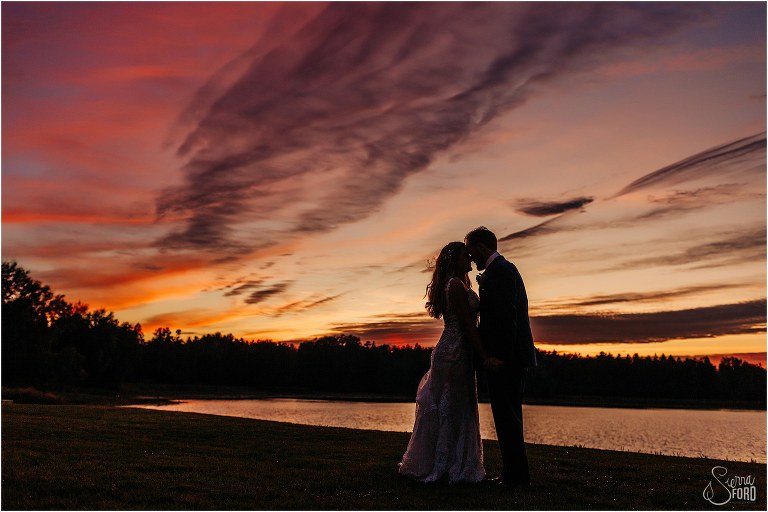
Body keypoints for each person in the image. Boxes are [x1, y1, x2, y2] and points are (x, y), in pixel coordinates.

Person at [398, 241, 491, 484]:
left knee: (458, 406)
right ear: (455, 260)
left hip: (459, 351)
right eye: (465, 256)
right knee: (450, 407)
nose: (470, 259)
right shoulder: (455, 286)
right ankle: (444, 464)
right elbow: (467, 325)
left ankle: (452, 461)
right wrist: (484, 355)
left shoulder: (460, 284)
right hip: (453, 352)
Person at [464, 226, 537, 486]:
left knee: (507, 418)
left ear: (481, 247)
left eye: (471, 251)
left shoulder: (501, 272)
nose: (471, 258)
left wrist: (499, 357)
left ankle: (515, 476)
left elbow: (507, 320)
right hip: (511, 357)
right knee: (507, 417)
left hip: (508, 359)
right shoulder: (503, 270)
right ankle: (515, 474)